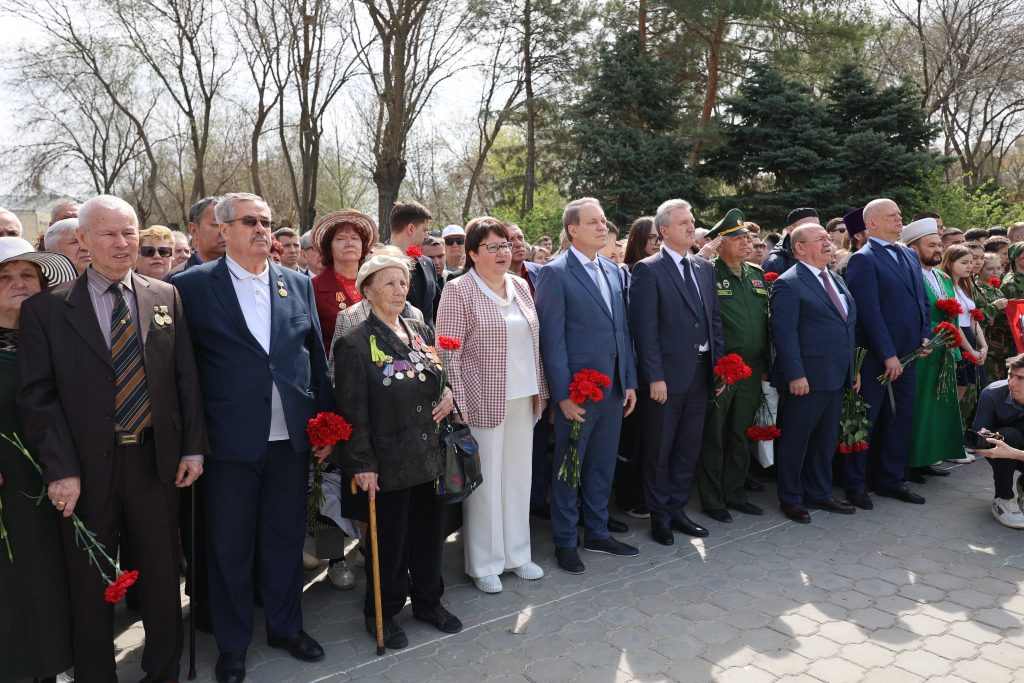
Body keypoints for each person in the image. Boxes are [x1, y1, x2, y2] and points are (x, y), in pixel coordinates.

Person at [17, 195, 207, 683]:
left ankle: (162, 672)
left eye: (130, 233)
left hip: (154, 462)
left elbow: (186, 379)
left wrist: (192, 447)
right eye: (109, 233)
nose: (123, 244)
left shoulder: (165, 296)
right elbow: (38, 398)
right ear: (82, 240)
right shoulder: (47, 311)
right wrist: (60, 468)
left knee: (164, 580)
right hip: (85, 472)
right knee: (90, 585)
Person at [171, 193, 331, 683]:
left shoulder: (297, 284)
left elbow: (315, 360)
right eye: (250, 222)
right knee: (230, 549)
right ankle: (233, 644)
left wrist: (326, 425)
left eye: (267, 222)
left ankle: (285, 627)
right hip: (228, 445)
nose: (262, 229)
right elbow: (182, 374)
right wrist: (191, 442)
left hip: (290, 442)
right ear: (223, 229)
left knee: (284, 542)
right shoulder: (191, 287)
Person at [333, 254, 461, 648]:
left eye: (403, 283)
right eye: (388, 283)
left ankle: (427, 600)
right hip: (388, 462)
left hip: (429, 456)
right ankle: (382, 612)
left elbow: (438, 377)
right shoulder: (354, 343)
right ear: (367, 290)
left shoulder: (419, 327)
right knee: (389, 544)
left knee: (429, 537)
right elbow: (351, 411)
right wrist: (363, 465)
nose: (398, 290)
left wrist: (450, 395)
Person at [436, 217, 548, 593]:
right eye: (493, 247)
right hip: (480, 399)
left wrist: (541, 392)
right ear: (472, 254)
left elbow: (534, 343)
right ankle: (484, 563)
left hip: (522, 395)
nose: (503, 253)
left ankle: (518, 555)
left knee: (518, 479)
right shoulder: (459, 290)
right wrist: (459, 404)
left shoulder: (519, 285)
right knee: (485, 485)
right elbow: (446, 352)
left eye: (505, 245)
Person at [536, 197, 639, 573]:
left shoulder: (613, 271)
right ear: (572, 230)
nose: (602, 227)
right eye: (593, 222)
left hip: (612, 390)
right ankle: (565, 540)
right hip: (577, 393)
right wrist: (562, 395)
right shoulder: (556, 273)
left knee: (601, 465)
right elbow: (553, 340)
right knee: (570, 467)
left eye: (604, 221)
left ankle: (597, 531)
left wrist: (629, 381)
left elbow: (621, 331)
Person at [0, 238, 77, 683]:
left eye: (27, 275)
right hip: (7, 478)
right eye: (6, 277)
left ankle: (51, 666)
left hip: (58, 471)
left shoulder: (58, 330)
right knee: (15, 575)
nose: (18, 284)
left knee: (52, 574)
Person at [629, 198, 723, 545]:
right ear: (664, 230)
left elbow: (714, 321)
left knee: (688, 446)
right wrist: (655, 377)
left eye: (692, 221)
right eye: (683, 222)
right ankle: (659, 516)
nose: (690, 226)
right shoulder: (648, 269)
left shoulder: (704, 268)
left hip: (701, 374)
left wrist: (720, 369)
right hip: (666, 379)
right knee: (660, 449)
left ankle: (678, 509)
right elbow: (645, 330)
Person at [769, 223, 859, 523]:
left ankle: (819, 492)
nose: (828, 242)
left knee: (825, 440)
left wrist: (852, 368)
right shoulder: (788, 283)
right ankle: (791, 497)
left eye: (827, 238)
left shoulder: (834, 278)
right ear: (799, 248)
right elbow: (784, 335)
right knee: (797, 440)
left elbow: (846, 325)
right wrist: (795, 374)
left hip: (837, 374)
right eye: (819, 239)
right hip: (806, 378)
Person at [844, 198, 930, 508]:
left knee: (900, 419)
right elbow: (869, 313)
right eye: (891, 215)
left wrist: (925, 335)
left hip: (910, 354)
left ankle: (891, 479)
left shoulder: (907, 253)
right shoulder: (862, 260)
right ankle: (856, 484)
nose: (899, 217)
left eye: (899, 213)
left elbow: (921, 299)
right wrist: (888, 354)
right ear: (872, 224)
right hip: (877, 360)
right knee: (866, 420)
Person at [696, 209, 769, 523]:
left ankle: (735, 493)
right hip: (722, 369)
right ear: (720, 243)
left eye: (748, 238)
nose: (746, 243)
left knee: (741, 433)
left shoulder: (755, 274)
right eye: (737, 239)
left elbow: (765, 323)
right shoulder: (707, 273)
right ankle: (712, 499)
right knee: (715, 435)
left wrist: (767, 364)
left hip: (752, 369)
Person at [901, 220, 967, 482]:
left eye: (939, 244)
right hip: (923, 352)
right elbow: (910, 316)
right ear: (914, 249)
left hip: (944, 351)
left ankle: (928, 457)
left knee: (940, 407)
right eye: (931, 245)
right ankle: (912, 462)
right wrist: (933, 333)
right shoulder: (909, 276)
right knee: (920, 409)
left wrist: (956, 348)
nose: (938, 249)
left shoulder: (943, 276)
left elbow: (952, 317)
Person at [612, 215, 660, 519]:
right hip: (633, 366)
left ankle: (646, 490)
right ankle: (627, 495)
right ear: (639, 240)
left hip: (652, 365)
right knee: (632, 438)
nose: (658, 243)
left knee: (650, 438)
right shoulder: (627, 273)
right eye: (653, 238)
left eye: (660, 237)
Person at [970, 354, 1024, 528]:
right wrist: (985, 439)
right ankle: (1003, 498)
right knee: (1008, 435)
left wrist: (1015, 453)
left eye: (1021, 378)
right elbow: (978, 442)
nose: (1012, 383)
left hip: (1017, 453)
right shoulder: (992, 394)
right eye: (1010, 375)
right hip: (1001, 452)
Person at [311, 209, 376, 351]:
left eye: (354, 238)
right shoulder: (313, 287)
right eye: (340, 239)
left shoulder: (376, 283)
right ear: (329, 247)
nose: (349, 243)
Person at [389, 200, 438, 327]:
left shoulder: (428, 264)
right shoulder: (377, 262)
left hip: (428, 344)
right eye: (424, 230)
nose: (427, 236)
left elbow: (434, 311)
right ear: (410, 228)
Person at [170, 195, 224, 274]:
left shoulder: (245, 271)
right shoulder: (176, 280)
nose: (224, 231)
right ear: (194, 230)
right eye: (216, 224)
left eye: (229, 224)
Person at [763, 207, 819, 275]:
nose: (815, 232)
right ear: (791, 230)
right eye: (807, 227)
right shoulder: (776, 263)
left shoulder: (822, 254)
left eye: (818, 227)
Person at [506, 221, 541, 295]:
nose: (518, 244)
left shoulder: (541, 272)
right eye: (510, 240)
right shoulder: (493, 278)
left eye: (520, 238)